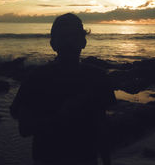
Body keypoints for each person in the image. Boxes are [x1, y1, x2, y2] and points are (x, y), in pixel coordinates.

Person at [10, 13, 116, 165]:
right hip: (48, 159)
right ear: (53, 43)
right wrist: (61, 115)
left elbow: (102, 126)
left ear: (83, 41)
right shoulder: (36, 78)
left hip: (86, 159)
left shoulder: (98, 77)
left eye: (74, 36)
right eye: (64, 36)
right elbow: (24, 129)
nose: (69, 41)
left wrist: (107, 161)